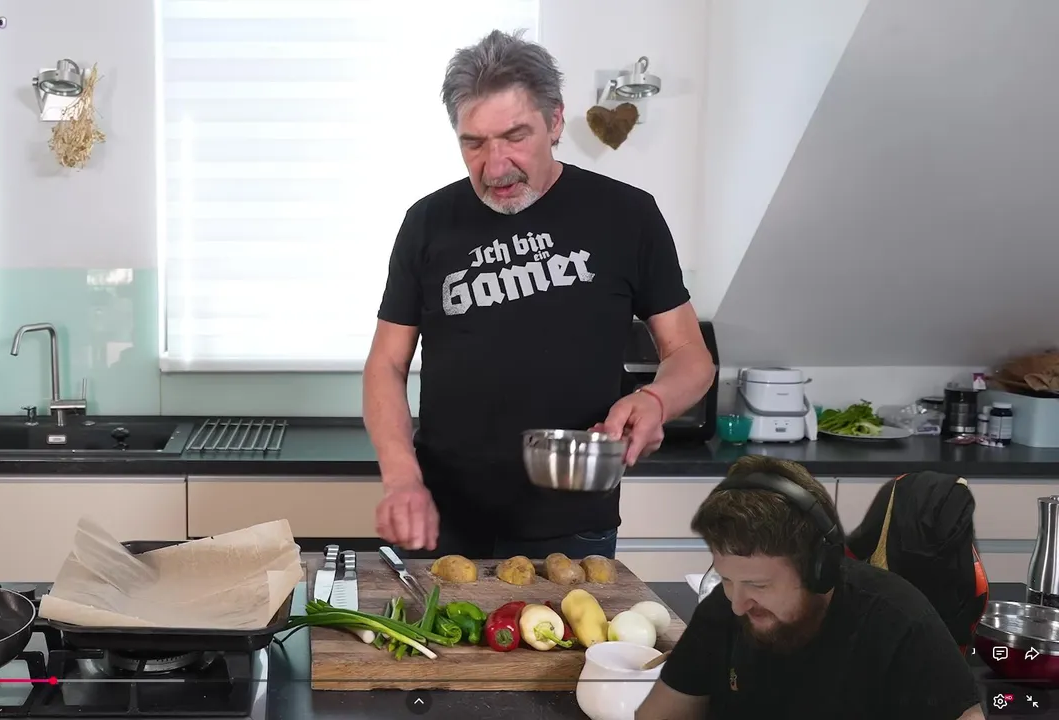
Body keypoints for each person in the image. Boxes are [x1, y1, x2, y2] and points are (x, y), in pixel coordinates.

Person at [363, 29, 716, 559]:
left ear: (554, 122)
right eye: (474, 143)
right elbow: (386, 364)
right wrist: (401, 479)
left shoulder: (628, 216)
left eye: (515, 136)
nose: (495, 166)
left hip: (574, 522)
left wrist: (655, 400)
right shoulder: (427, 223)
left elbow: (690, 355)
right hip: (444, 519)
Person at [636, 456, 984, 720]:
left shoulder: (901, 622)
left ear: (820, 569)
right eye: (727, 579)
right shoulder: (724, 610)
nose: (738, 603)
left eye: (759, 584)